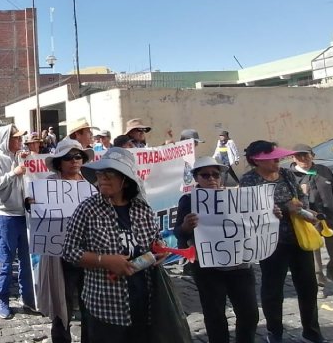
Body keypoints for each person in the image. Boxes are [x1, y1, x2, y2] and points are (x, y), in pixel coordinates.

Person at [62, 147, 168, 340]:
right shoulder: (87, 210)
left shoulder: (143, 209)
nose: (102, 178)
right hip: (105, 307)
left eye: (109, 174)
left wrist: (160, 250)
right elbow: (69, 251)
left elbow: (155, 240)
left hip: (144, 304)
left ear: (125, 180)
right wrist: (105, 260)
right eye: (100, 173)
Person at [240, 140, 324, 343]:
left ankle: (311, 331)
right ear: (258, 161)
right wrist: (283, 209)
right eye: (272, 158)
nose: (277, 161)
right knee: (272, 290)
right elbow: (247, 211)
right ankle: (274, 331)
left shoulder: (286, 174)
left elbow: (300, 197)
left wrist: (303, 210)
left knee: (308, 286)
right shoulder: (249, 180)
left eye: (277, 157)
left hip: (297, 238)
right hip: (271, 243)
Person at [174, 156, 259, 343]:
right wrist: (187, 226)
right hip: (209, 269)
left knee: (250, 313)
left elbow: (255, 223)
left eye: (215, 174)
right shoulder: (188, 201)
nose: (211, 178)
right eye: (205, 175)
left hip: (240, 266)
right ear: (196, 178)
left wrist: (271, 215)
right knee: (215, 315)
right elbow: (178, 232)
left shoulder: (236, 197)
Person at [38, 139, 93, 343]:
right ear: (59, 162)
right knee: (62, 302)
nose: (74, 161)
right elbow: (37, 213)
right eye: (68, 157)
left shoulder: (91, 182)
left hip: (89, 252)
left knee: (90, 303)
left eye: (78, 156)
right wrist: (31, 204)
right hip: (60, 254)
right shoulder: (49, 184)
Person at [0, 124, 34, 319]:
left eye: (20, 138)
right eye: (16, 138)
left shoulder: (19, 157)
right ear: (6, 139)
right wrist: (13, 173)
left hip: (25, 214)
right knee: (5, 261)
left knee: (27, 260)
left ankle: (28, 298)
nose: (20, 141)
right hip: (6, 215)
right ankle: (3, 301)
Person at [290, 143, 333, 290]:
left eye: (306, 155)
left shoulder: (323, 171)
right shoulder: (290, 175)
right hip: (308, 218)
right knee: (313, 253)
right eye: (299, 156)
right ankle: (319, 282)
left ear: (312, 156)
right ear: (293, 158)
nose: (303, 158)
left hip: (331, 216)